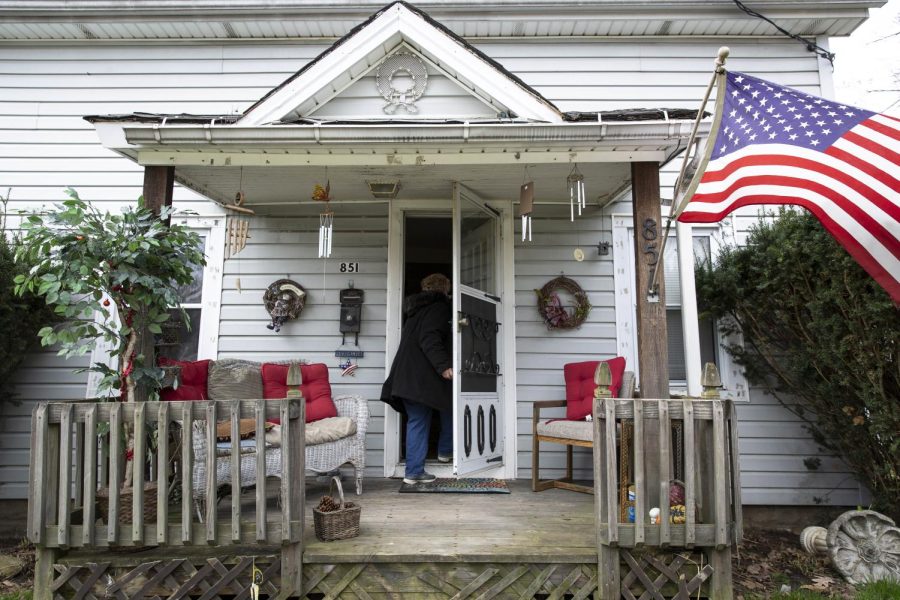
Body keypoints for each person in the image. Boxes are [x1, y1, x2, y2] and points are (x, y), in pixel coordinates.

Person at [380, 273, 454, 484]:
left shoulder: (416, 311)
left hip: (408, 377)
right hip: (420, 378)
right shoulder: (439, 308)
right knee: (427, 417)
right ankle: (415, 470)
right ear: (444, 289)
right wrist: (444, 366)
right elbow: (429, 338)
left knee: (425, 416)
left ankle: (438, 455)